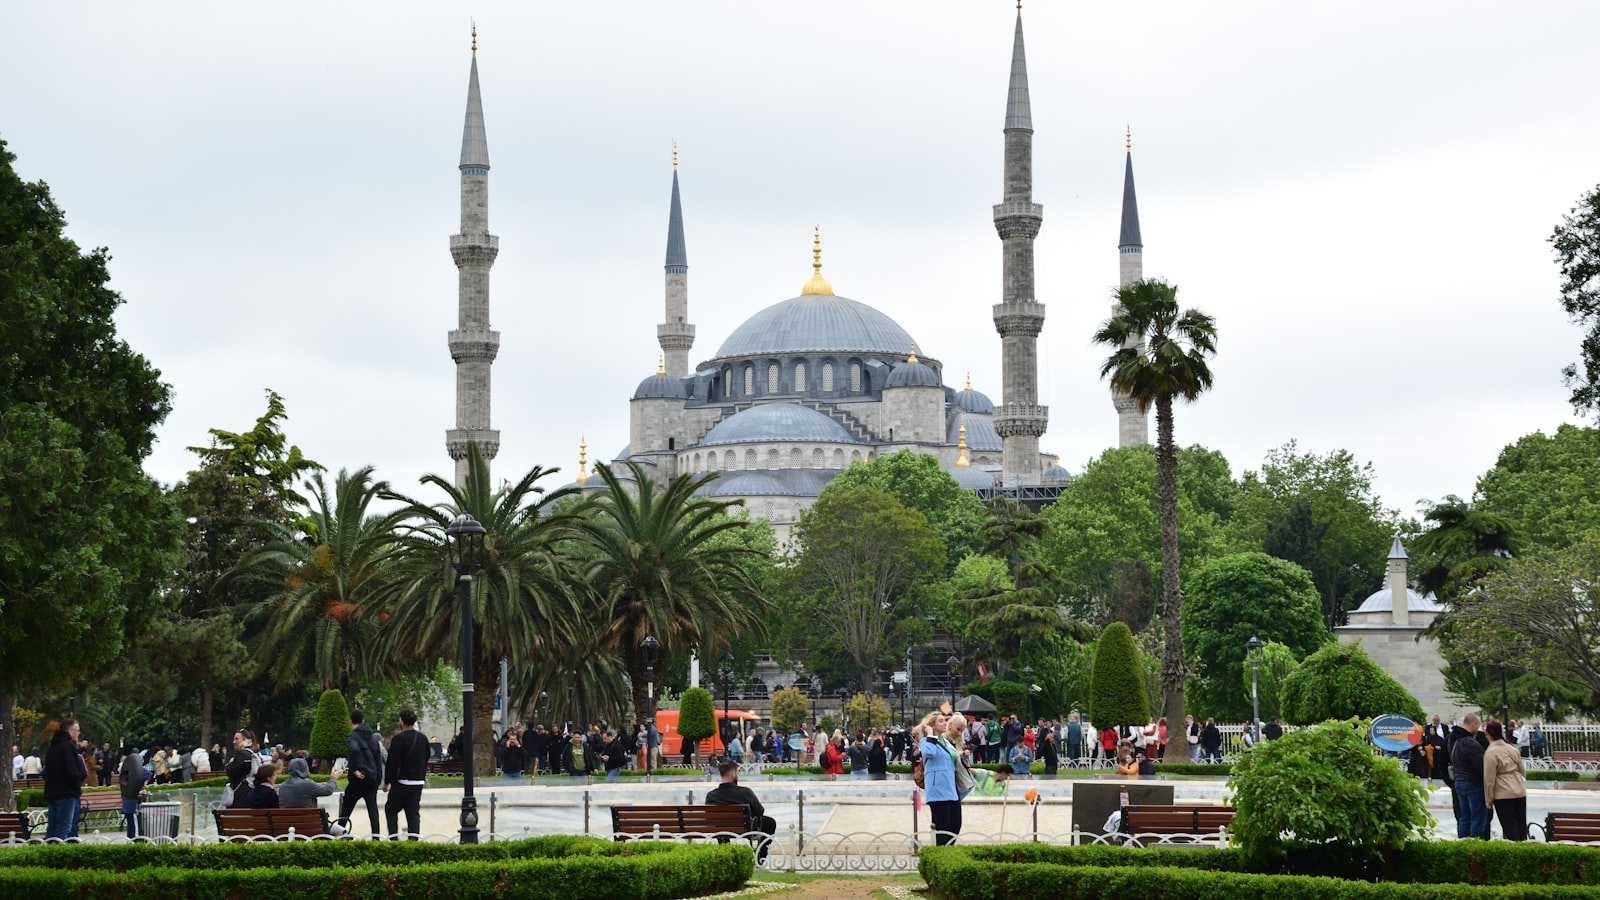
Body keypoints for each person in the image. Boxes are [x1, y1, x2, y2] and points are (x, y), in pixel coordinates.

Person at [706, 759, 777, 863]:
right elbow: (759, 811)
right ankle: (760, 856)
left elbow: (709, 818)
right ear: (733, 774)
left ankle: (726, 853)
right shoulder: (745, 792)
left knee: (720, 826)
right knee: (770, 823)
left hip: (721, 830)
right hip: (746, 829)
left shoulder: (711, 796)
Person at [917, 711, 965, 845]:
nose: (945, 723)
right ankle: (941, 853)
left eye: (944, 720)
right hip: (938, 789)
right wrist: (930, 734)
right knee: (943, 827)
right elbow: (929, 753)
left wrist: (962, 755)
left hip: (951, 787)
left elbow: (952, 757)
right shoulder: (926, 741)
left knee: (956, 824)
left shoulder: (946, 741)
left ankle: (947, 852)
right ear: (932, 725)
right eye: (941, 721)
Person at [383, 708, 429, 840]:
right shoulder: (423, 738)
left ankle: (393, 839)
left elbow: (392, 762)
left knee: (391, 810)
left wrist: (387, 782)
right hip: (418, 782)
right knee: (413, 813)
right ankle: (413, 841)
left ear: (402, 722)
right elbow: (426, 757)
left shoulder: (398, 739)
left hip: (403, 782)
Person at [339, 710, 383, 838]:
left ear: (350, 721)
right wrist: (377, 779)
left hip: (358, 779)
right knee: (372, 811)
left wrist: (354, 769)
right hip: (371, 778)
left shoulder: (352, 736)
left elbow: (354, 750)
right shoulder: (373, 738)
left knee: (346, 809)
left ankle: (339, 833)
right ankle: (376, 837)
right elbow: (377, 758)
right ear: (363, 721)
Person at [42, 719, 86, 840]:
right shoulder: (68, 747)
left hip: (52, 792)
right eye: (77, 731)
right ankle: (57, 855)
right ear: (70, 731)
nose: (78, 734)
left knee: (52, 828)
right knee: (63, 827)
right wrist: (76, 788)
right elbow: (72, 771)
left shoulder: (53, 747)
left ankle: (47, 853)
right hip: (66, 793)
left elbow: (45, 771)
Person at [1484, 720, 1527, 841]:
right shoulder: (1511, 748)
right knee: (1521, 825)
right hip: (1519, 789)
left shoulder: (1491, 752)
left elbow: (1489, 778)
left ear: (1487, 733)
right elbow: (1522, 770)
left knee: (1510, 828)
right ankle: (1525, 851)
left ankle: (1516, 854)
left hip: (1503, 792)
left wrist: (1488, 799)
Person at [1450, 714, 1488, 839]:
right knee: (1477, 816)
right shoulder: (1471, 743)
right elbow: (1481, 765)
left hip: (1459, 782)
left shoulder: (1456, 742)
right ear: (1474, 724)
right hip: (1473, 783)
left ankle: (1464, 844)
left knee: (1464, 816)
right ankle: (1475, 846)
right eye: (1478, 726)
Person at [225, 730, 257, 809]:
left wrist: (229, 764)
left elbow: (231, 773)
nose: (234, 742)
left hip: (239, 794)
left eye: (236, 739)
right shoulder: (253, 753)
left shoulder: (241, 754)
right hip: (251, 793)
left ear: (245, 740)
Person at [118, 746, 146, 838]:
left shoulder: (127, 767)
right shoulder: (136, 768)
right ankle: (134, 836)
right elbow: (147, 774)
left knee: (130, 819)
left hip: (127, 798)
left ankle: (131, 835)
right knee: (133, 819)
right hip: (132, 799)